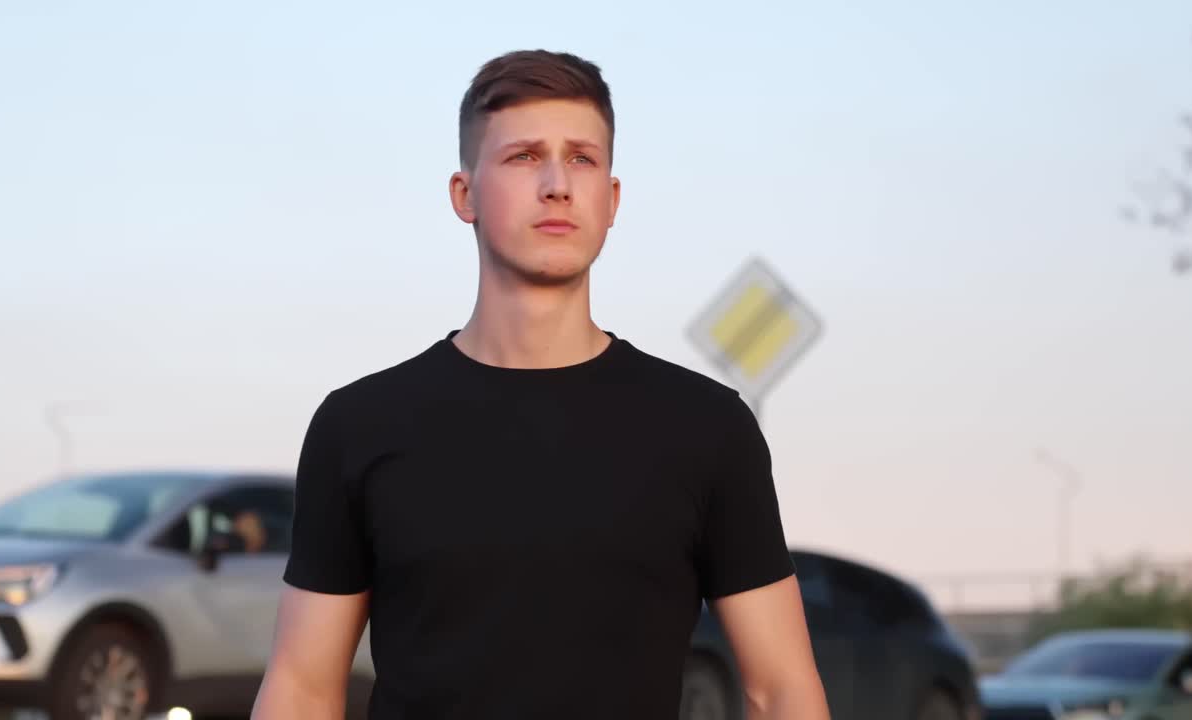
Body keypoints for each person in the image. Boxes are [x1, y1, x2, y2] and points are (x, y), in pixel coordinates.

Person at [252, 49, 830, 720]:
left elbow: (781, 689)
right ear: (464, 194)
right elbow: (302, 688)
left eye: (582, 158)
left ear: (611, 200)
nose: (557, 183)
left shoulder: (706, 429)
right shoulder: (359, 426)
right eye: (524, 156)